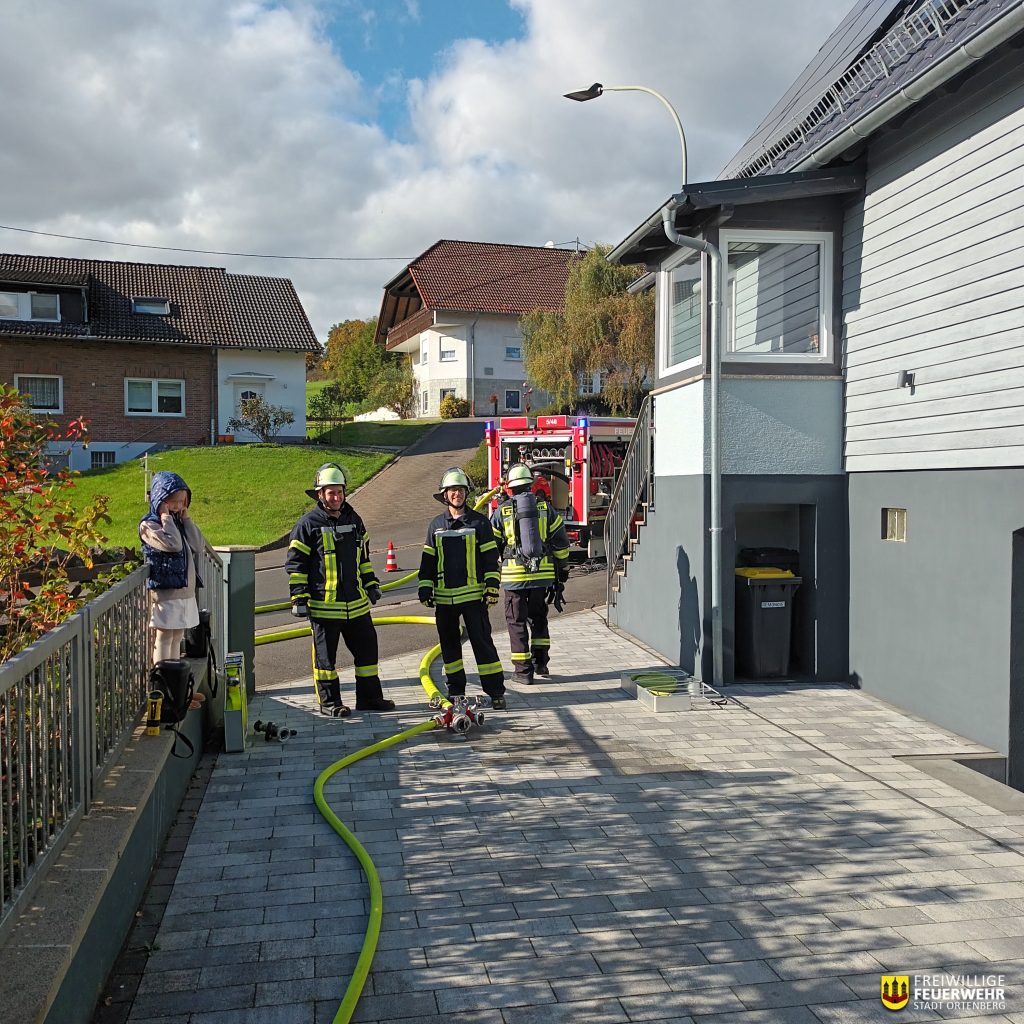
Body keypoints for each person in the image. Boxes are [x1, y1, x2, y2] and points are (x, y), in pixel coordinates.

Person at [285, 463, 394, 717]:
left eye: (340, 492)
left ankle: (369, 699)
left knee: (367, 653)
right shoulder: (307, 525)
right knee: (326, 661)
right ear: (320, 494)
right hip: (324, 608)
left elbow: (363, 559)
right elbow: (296, 565)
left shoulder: (354, 521)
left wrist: (371, 584)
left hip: (357, 606)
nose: (336, 497)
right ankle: (330, 703)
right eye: (331, 493)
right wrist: (299, 597)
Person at [418, 468, 507, 709]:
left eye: (460, 490)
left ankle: (495, 691)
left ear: (466, 493)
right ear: (444, 495)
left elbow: (490, 559)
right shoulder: (436, 525)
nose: (456, 494)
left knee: (482, 643)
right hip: (444, 600)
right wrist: (425, 587)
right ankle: (456, 691)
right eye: (452, 490)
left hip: (473, 598)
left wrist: (492, 586)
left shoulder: (479, 523)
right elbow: (428, 561)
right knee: (450, 648)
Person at [491, 462, 570, 684]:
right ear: (530, 484)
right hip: (542, 576)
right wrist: (562, 569)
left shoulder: (502, 511)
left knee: (516, 622)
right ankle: (541, 663)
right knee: (539, 618)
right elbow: (561, 543)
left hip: (514, 578)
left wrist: (491, 574)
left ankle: (523, 672)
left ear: (510, 487)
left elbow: (491, 546)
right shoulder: (545, 509)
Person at [139, 471, 207, 709]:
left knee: (177, 638)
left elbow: (198, 545)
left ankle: (178, 689)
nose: (178, 506)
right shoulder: (149, 525)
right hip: (166, 592)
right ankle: (164, 692)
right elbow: (173, 545)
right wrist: (166, 517)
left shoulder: (178, 522)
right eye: (172, 501)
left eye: (181, 501)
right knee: (164, 638)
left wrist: (186, 520)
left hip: (184, 592)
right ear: (160, 500)